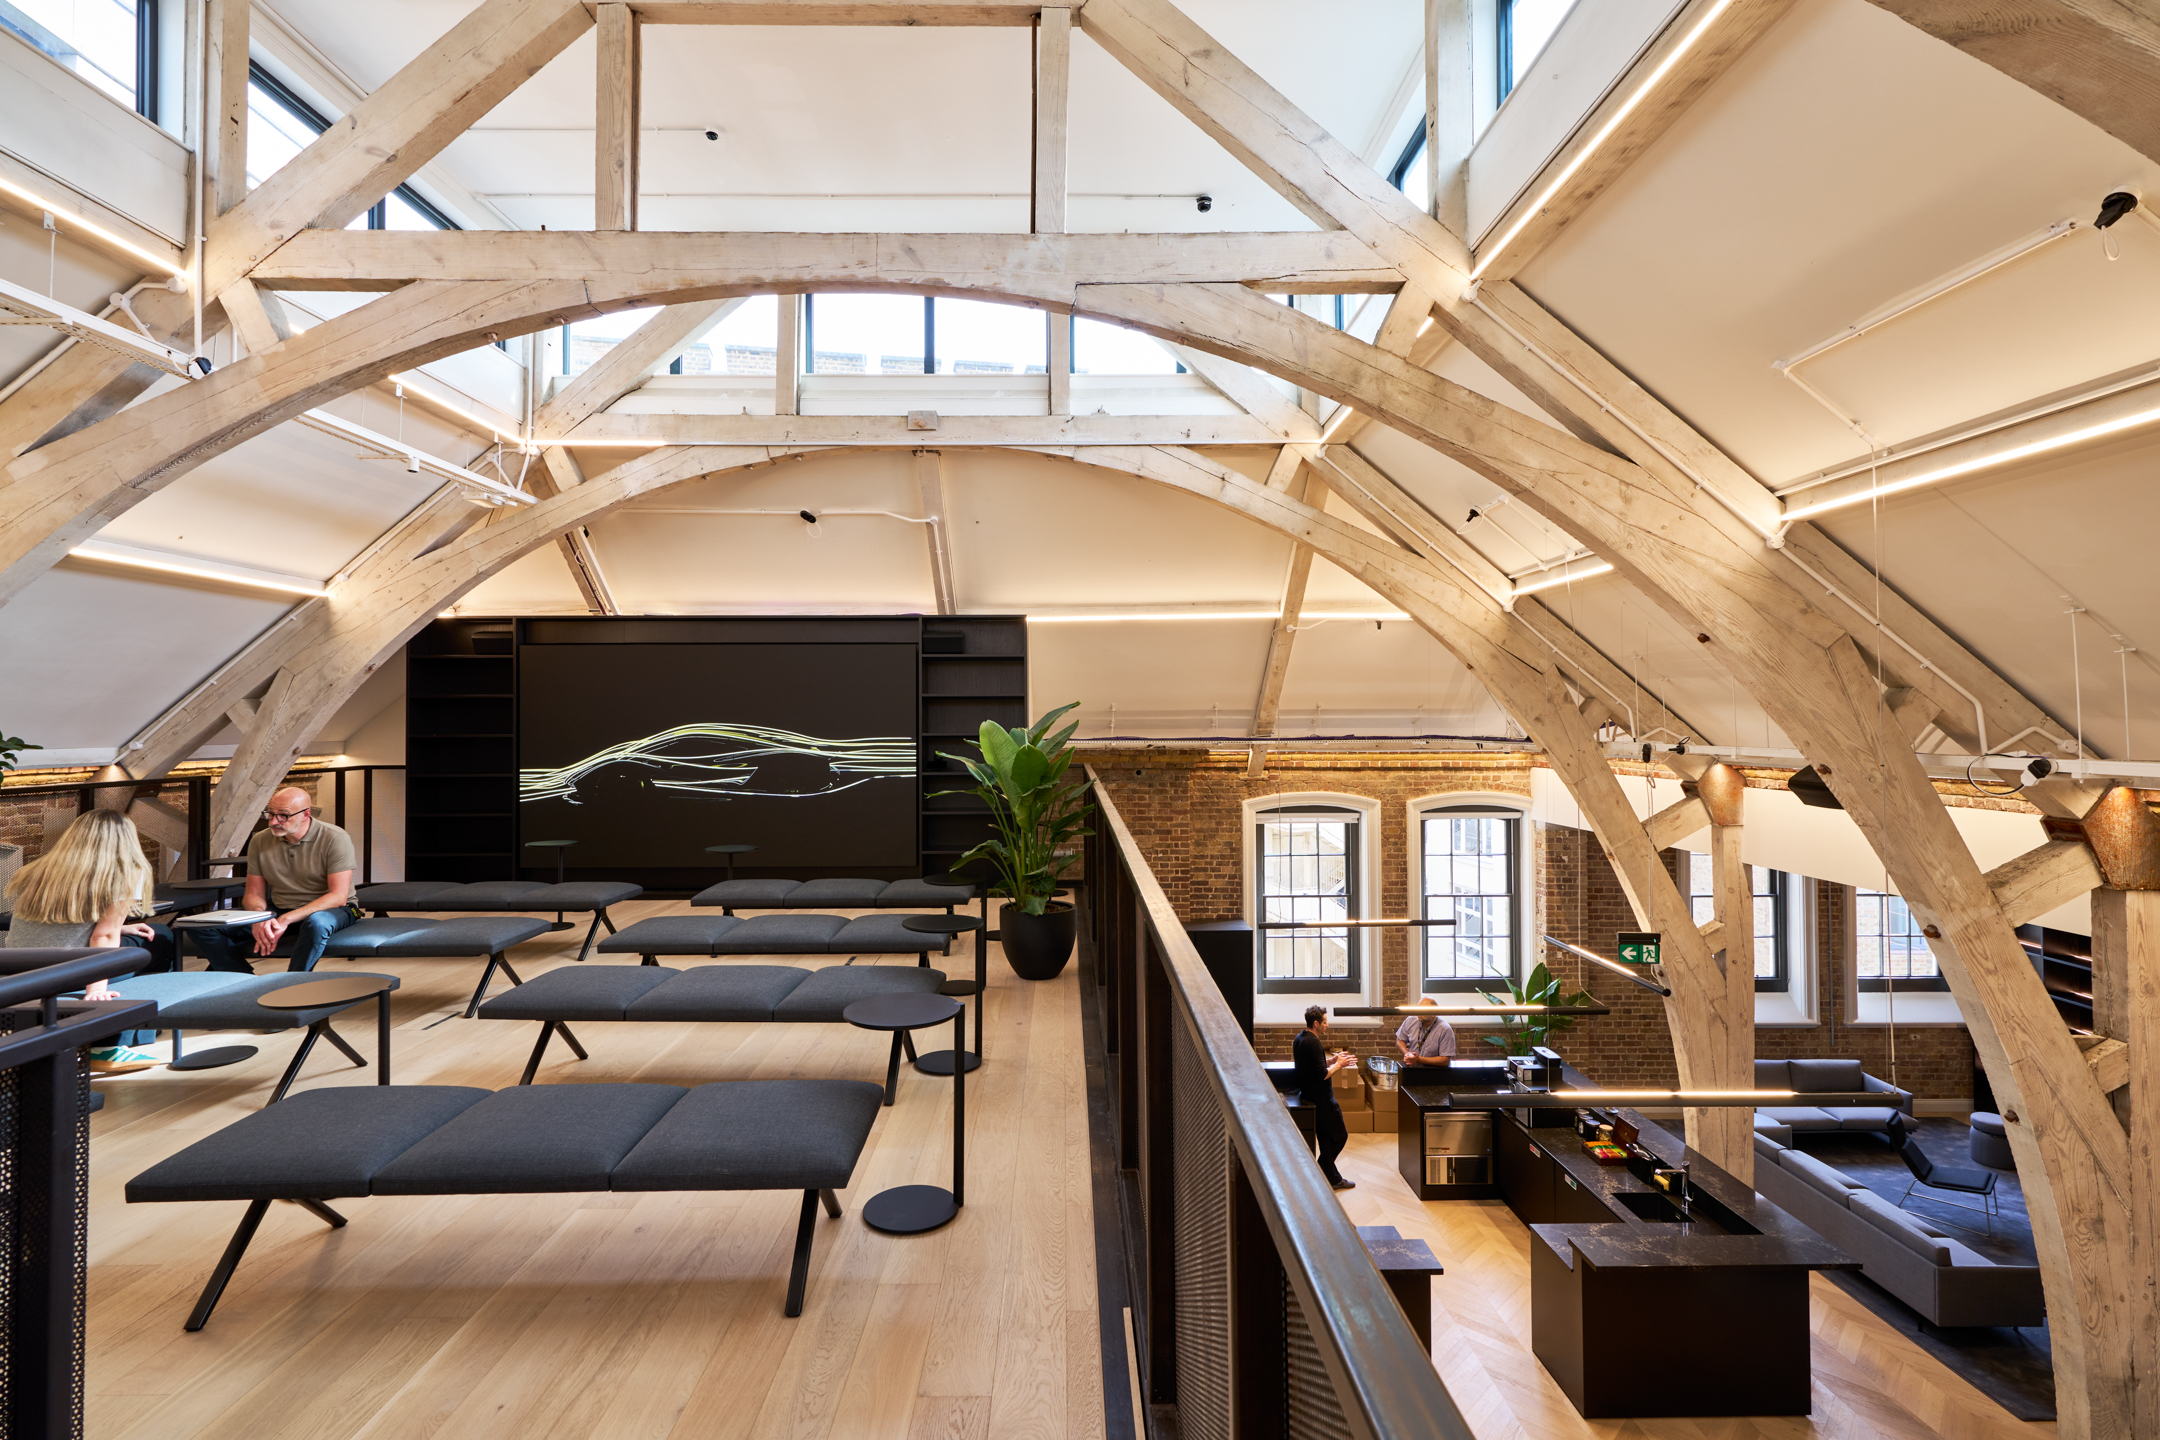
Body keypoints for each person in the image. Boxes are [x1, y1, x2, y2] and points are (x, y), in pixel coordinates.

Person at [3, 809, 177, 1071]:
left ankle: (138, 1034)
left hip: (19, 970)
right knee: (161, 938)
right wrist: (96, 989)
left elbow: (60, 921)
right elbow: (103, 935)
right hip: (70, 970)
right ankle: (108, 1045)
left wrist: (123, 928)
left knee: (143, 937)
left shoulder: (38, 869)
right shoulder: (124, 871)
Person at [189, 786, 358, 974]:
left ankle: (292, 986)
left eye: (283, 816)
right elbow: (253, 893)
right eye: (270, 814)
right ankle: (248, 983)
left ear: (305, 814)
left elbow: (338, 897)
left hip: (333, 910)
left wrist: (286, 919)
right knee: (203, 927)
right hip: (281, 907)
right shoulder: (260, 840)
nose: (274, 821)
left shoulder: (334, 838)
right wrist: (259, 917)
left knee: (316, 923)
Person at [1292, 1004, 1360, 1191]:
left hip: (1310, 1096)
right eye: (1325, 1022)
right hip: (1322, 1101)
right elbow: (1321, 1074)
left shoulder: (1300, 1038)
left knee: (1326, 1140)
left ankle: (1331, 1178)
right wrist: (1339, 1065)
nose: (1327, 1025)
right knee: (1340, 1136)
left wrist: (1333, 1060)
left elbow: (1312, 1066)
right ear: (1316, 1023)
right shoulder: (1313, 1042)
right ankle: (1321, 1173)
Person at [1396, 1002, 1457, 1070]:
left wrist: (1418, 1060)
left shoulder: (1445, 1029)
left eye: (1423, 1010)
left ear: (1433, 1014)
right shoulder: (1410, 1020)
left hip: (1433, 1072)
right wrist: (1407, 1054)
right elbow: (1400, 1039)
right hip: (1410, 1069)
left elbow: (1445, 1061)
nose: (1418, 1012)